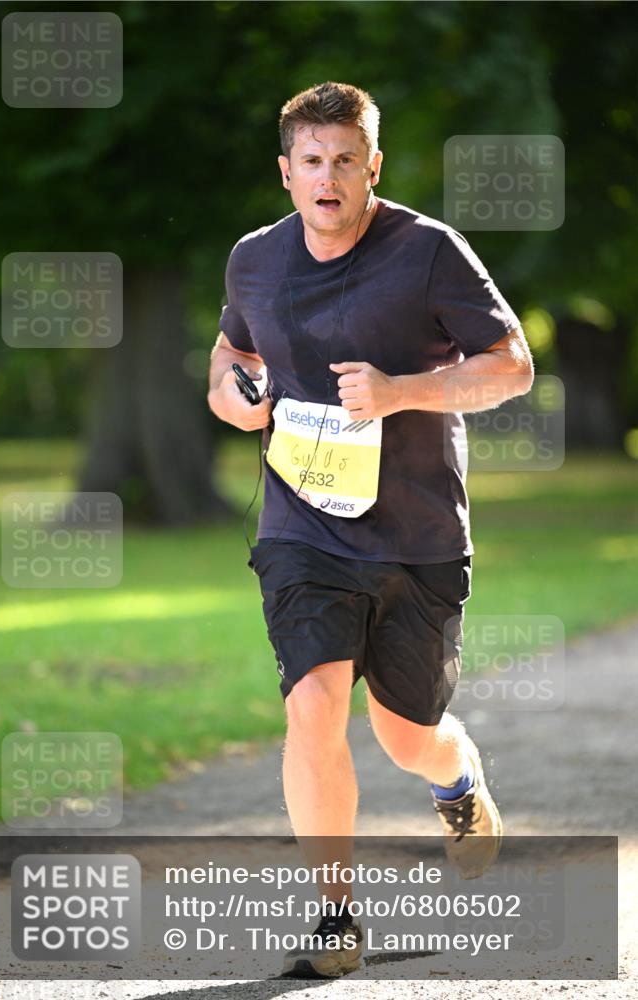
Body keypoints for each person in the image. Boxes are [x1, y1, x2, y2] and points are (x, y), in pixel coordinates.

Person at [207, 81, 533, 978]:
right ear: (285, 172)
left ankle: (454, 775)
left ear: (371, 165)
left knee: (403, 733)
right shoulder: (255, 261)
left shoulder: (427, 252)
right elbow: (232, 356)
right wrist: (238, 397)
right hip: (300, 523)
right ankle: (334, 920)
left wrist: (399, 393)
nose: (328, 177)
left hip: (416, 532)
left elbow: (511, 365)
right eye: (311, 161)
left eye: (345, 159)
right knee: (312, 701)